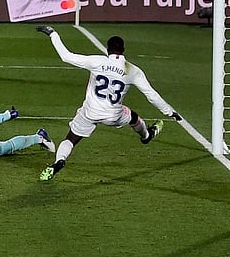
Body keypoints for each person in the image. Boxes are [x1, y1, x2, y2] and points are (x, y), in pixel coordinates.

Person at [35, 26, 183, 181]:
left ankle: (59, 162)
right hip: (114, 115)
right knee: (133, 117)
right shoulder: (133, 70)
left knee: (70, 139)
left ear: (107, 49)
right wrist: (169, 112)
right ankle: (146, 135)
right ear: (123, 50)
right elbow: (152, 95)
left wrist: (53, 33)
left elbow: (66, 56)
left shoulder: (98, 61)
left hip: (90, 112)